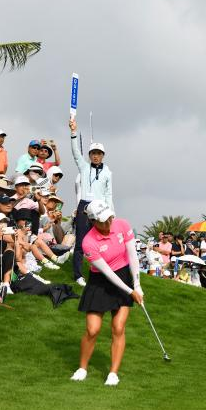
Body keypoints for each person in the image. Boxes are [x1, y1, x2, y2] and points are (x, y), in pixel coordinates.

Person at [71, 201, 142, 386]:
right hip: (100, 282)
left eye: (110, 217)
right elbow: (108, 273)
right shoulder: (88, 242)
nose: (109, 223)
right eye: (103, 221)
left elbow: (133, 256)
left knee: (118, 327)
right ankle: (82, 368)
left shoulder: (122, 225)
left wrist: (137, 285)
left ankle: (113, 373)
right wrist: (130, 291)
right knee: (92, 330)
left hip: (124, 275)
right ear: (93, 221)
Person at [69, 118, 113, 288]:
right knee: (81, 242)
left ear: (102, 155)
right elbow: (74, 152)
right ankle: (78, 275)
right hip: (85, 206)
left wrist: (111, 213)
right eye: (93, 153)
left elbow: (109, 194)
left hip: (102, 208)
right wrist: (73, 132)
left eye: (98, 153)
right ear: (89, 155)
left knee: (102, 241)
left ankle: (102, 272)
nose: (95, 156)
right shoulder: (84, 167)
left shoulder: (108, 173)